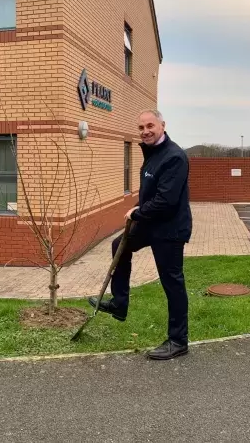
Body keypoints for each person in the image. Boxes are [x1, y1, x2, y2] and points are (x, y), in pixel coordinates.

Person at [88, 110, 192, 360]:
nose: (145, 131)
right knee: (119, 246)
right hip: (151, 224)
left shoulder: (174, 157)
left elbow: (166, 201)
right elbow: (151, 192)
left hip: (169, 229)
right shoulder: (153, 153)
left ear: (162, 125)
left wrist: (137, 212)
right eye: (141, 127)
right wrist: (140, 208)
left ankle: (178, 341)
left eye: (150, 126)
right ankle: (119, 303)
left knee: (172, 284)